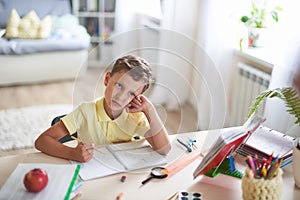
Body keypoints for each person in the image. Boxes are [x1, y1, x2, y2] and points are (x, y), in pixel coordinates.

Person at [35, 55, 171, 162]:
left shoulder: (136, 117)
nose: (121, 96)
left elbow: (164, 149)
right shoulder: (85, 112)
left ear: (138, 97)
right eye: (119, 85)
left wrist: (149, 109)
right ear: (107, 79)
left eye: (131, 93)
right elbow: (41, 141)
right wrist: (72, 153)